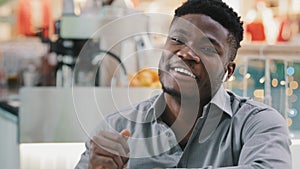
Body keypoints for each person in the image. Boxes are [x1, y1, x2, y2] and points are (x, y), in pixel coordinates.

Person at [75, 0, 292, 168]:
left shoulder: (258, 124)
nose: (186, 53)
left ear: (228, 70)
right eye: (178, 40)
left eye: (207, 48)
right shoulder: (115, 130)